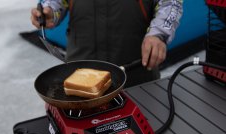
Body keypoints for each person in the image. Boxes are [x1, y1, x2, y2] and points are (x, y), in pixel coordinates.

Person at [31, 0, 183, 87]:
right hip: (80, 76)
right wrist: (50, 11)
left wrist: (158, 34)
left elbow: (170, 3)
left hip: (136, 76)